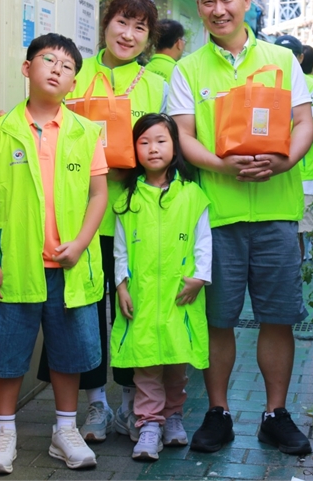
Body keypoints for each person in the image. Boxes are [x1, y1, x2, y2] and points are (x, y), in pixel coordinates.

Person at [168, 0, 313, 456]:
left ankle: (275, 415)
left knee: (278, 317)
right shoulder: (188, 69)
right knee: (219, 320)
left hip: (276, 212)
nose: (219, 9)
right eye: (208, 1)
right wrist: (223, 167)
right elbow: (183, 136)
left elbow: (303, 123)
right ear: (198, 7)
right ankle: (219, 413)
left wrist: (284, 161)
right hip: (216, 215)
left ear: (247, 0)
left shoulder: (282, 59)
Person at [35, 0, 168, 445]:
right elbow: (40, 119)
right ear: (105, 24)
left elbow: (166, 146)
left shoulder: (155, 83)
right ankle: (95, 403)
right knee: (84, 313)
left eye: (139, 28)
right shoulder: (75, 72)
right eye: (121, 23)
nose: (128, 35)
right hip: (79, 220)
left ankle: (132, 403)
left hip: (136, 218)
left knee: (132, 310)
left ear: (149, 38)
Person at [0, 33, 108, 472]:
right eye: (48, 60)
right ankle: (4, 431)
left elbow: (98, 194)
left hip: (69, 266)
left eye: (67, 66)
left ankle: (65, 430)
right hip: (17, 264)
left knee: (69, 352)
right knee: (8, 350)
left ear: (74, 83)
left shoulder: (86, 132)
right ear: (26, 67)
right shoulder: (1, 130)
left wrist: (81, 243)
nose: (57, 69)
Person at [110, 113, 212, 461]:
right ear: (134, 149)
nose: (153, 149)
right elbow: (120, 249)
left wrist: (200, 278)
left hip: (179, 294)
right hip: (141, 297)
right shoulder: (128, 199)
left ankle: (173, 417)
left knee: (175, 360)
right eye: (144, 142)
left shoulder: (193, 195)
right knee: (146, 363)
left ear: (175, 147)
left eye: (161, 141)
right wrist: (121, 285)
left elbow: (203, 241)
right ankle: (149, 425)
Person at [274, 35, 313, 262]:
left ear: (301, 58)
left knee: (297, 233)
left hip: (301, 174)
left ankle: (296, 274)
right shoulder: (265, 81)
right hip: (270, 174)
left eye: (292, 55)